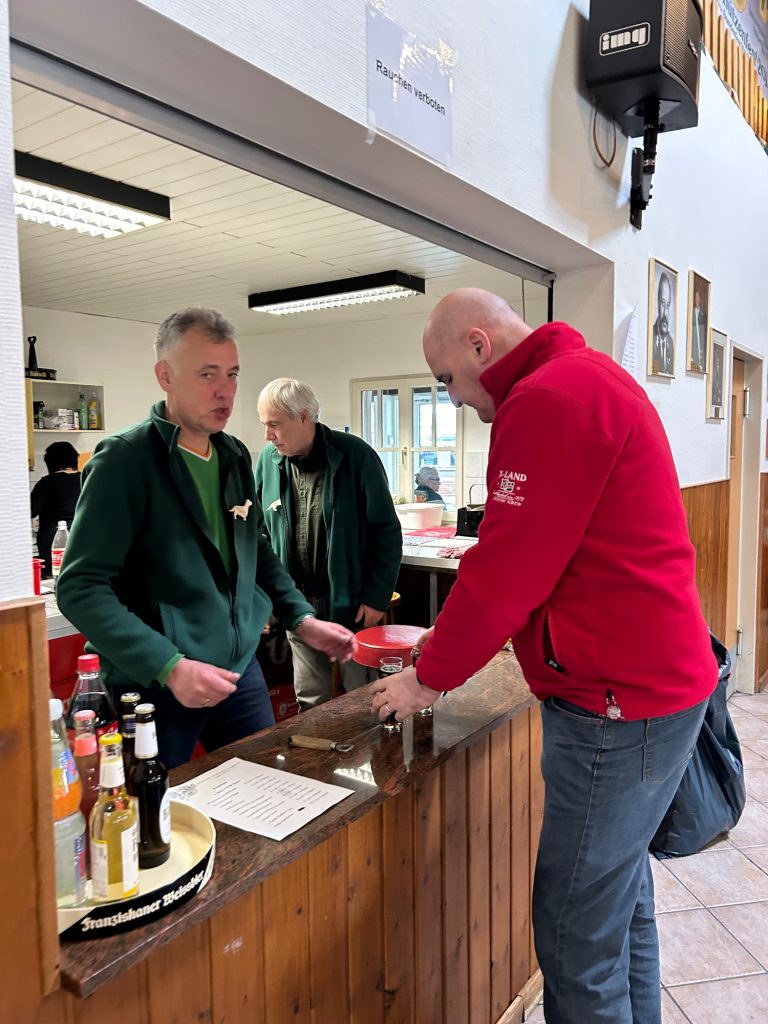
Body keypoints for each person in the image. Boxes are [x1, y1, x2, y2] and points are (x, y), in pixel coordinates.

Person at [371, 288, 718, 1024]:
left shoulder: (545, 400)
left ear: (478, 345)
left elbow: (506, 570)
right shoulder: (588, 377)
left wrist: (428, 678)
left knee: (573, 938)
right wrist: (446, 642)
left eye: (447, 379)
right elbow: (553, 558)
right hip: (654, 687)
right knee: (617, 910)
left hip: (617, 707)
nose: (453, 397)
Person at [57, 308, 355, 769]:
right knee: (157, 805)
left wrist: (299, 616)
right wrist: (169, 665)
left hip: (236, 669)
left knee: (263, 784)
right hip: (154, 681)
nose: (225, 391)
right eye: (207, 374)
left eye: (232, 374)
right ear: (166, 376)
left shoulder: (232, 454)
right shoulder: (124, 461)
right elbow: (79, 588)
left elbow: (255, 549)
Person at [255, 378, 402, 710]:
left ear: (303, 416)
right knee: (310, 701)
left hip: (352, 605)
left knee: (361, 698)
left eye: (274, 424)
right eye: (265, 425)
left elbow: (387, 532)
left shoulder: (356, 456)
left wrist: (376, 596)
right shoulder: (268, 461)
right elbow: (259, 535)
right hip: (298, 607)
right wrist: (263, 597)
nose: (268, 435)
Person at [30, 440, 81, 576]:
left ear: (50, 462)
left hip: (53, 543)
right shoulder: (86, 479)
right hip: (82, 539)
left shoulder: (46, 483)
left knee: (54, 578)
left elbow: (31, 511)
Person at [651, 271, 675, 375]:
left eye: (668, 305)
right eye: (662, 303)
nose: (665, 312)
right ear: (657, 304)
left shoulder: (670, 341)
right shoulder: (651, 337)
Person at [689, 287, 706, 373]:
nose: (697, 299)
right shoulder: (692, 313)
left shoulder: (702, 314)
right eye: (695, 296)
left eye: (698, 296)